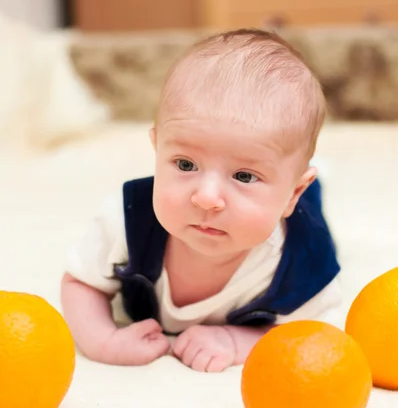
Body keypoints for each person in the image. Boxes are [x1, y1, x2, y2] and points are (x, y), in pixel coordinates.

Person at [61, 28, 342, 372]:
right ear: (157, 148)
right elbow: (80, 282)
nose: (207, 197)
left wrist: (236, 342)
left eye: (244, 176)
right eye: (185, 164)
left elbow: (316, 333)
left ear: (291, 194)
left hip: (296, 216)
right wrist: (103, 339)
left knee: (313, 209)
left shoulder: (301, 258)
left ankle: (312, 184)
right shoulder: (127, 218)